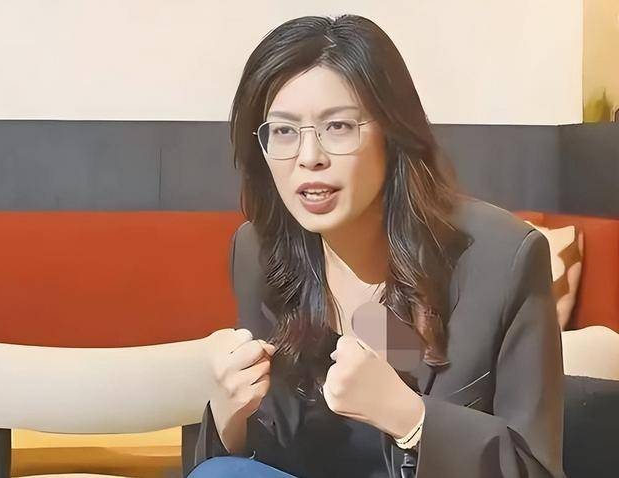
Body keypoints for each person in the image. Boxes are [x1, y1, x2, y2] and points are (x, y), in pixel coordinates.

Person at [189, 14, 565, 478]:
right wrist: (229, 416)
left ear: (392, 133)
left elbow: (536, 468)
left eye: (338, 127)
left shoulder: (501, 259)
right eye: (284, 131)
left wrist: (411, 419)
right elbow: (259, 453)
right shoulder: (260, 251)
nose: (309, 157)